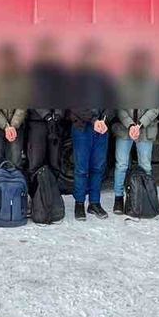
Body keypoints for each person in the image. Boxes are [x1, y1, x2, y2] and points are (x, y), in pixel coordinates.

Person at [67, 42, 114, 220]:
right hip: (83, 128)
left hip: (101, 129)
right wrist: (94, 121)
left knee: (98, 167)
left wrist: (104, 120)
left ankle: (94, 203)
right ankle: (79, 204)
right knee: (81, 169)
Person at [112, 48, 158, 215]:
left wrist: (140, 125)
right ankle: (118, 198)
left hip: (145, 130)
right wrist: (131, 125)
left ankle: (146, 196)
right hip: (125, 130)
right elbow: (119, 108)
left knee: (145, 165)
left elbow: (155, 109)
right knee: (121, 165)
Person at [26, 38, 67, 181]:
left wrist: (57, 115)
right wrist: (47, 115)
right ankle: (35, 192)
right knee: (36, 161)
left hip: (56, 122)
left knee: (55, 162)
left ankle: (53, 192)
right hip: (38, 122)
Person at [0, 43, 29, 176]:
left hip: (16, 127)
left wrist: (13, 126)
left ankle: (14, 189)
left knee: (15, 163)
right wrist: (6, 126)